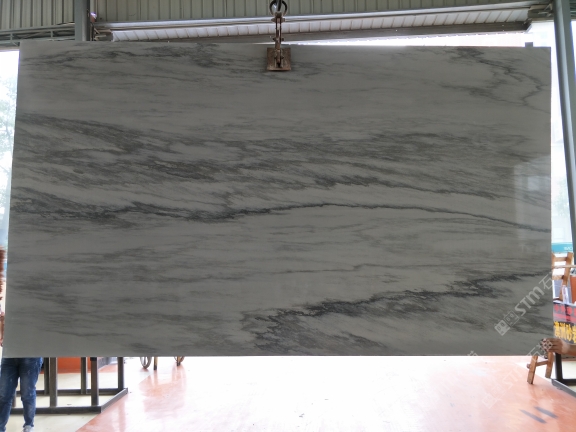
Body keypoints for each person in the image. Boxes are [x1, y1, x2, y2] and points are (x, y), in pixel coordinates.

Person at [0, 248, 43, 432]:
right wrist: (3, 333)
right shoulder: (8, 290)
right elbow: (3, 316)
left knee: (27, 393)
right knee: (4, 393)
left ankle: (28, 425)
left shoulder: (36, 295)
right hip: (10, 352)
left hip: (30, 351)